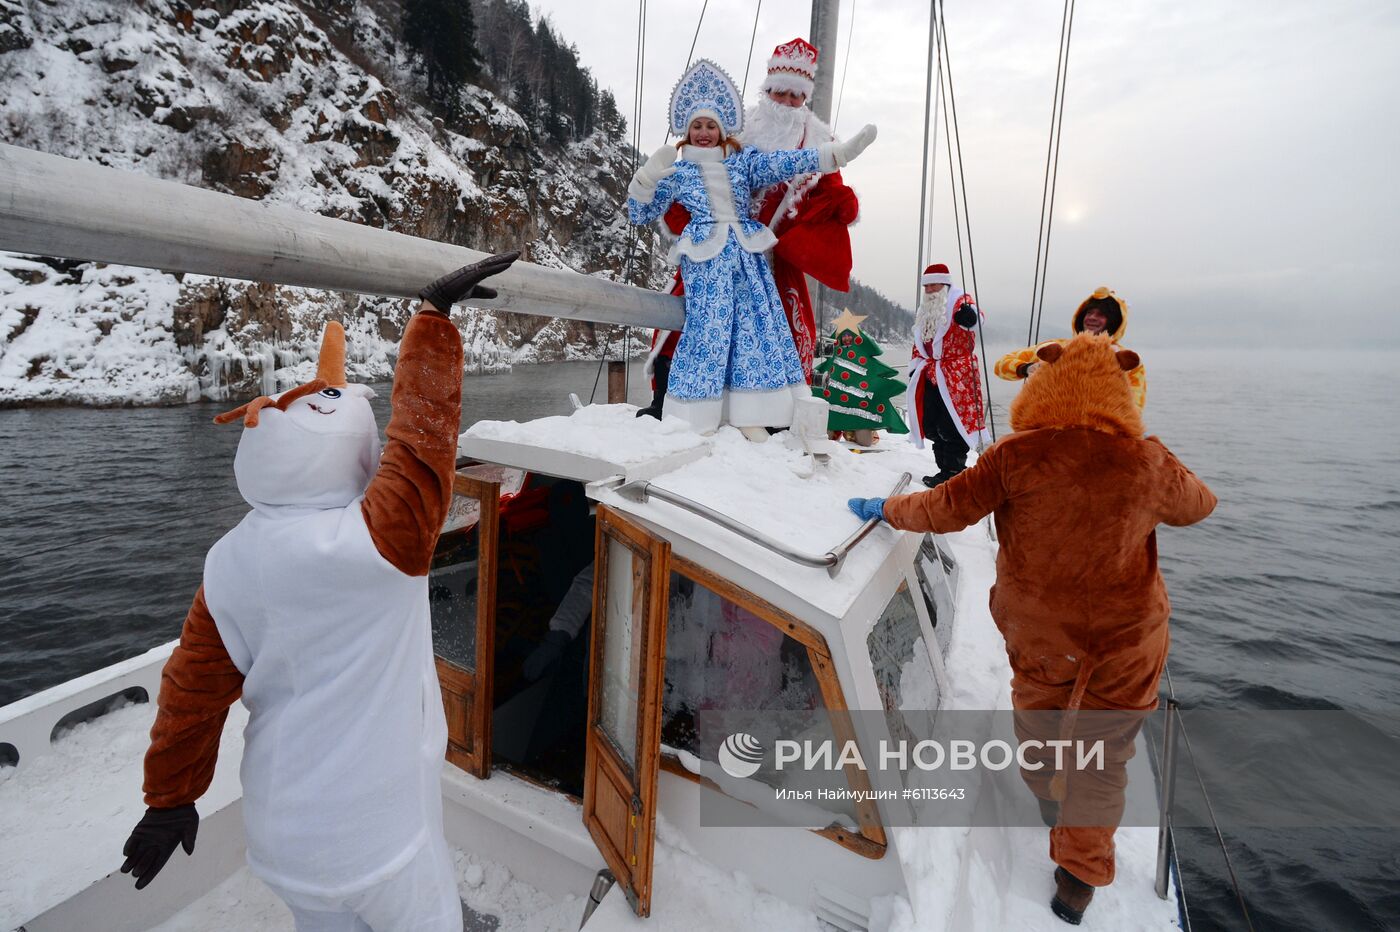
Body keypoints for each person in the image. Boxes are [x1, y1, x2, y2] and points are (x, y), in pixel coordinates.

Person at [119, 253, 519, 932]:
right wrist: (432, 320)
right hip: (381, 836)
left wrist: (170, 799)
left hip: (282, 840)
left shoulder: (228, 561)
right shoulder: (377, 543)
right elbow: (421, 449)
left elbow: (192, 695)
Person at [848, 333, 1215, 925]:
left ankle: (1049, 802)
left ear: (1044, 381)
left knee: (1038, 726)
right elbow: (1201, 504)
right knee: (1105, 760)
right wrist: (1155, 461)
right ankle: (1077, 880)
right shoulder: (1148, 461)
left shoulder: (1016, 457)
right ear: (1119, 389)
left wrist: (887, 509)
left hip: (1042, 640)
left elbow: (943, 509)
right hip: (1129, 646)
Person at [626, 58, 875, 439]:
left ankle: (750, 412)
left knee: (756, 330)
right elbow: (642, 213)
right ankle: (697, 415)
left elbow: (786, 162)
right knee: (708, 331)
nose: (705, 133)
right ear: (686, 131)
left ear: (723, 129)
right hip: (707, 260)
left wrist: (835, 154)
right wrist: (644, 182)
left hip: (747, 257)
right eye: (697, 126)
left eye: (711, 126)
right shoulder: (677, 173)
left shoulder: (744, 162)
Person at [906, 263, 989, 487]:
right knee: (930, 423)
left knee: (952, 424)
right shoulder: (924, 311)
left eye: (934, 284)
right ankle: (944, 468)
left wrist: (969, 317)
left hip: (957, 375)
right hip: (931, 374)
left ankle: (953, 472)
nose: (930, 289)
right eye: (927, 286)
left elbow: (977, 319)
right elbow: (918, 343)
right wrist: (915, 367)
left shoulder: (959, 300)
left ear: (945, 284)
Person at [995, 285, 1147, 408]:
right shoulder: (1057, 348)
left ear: (1114, 321)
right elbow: (1001, 365)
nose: (1092, 317)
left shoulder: (1125, 359)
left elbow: (1135, 407)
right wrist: (1027, 368)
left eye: (1101, 314)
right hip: (1051, 427)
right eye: (1090, 312)